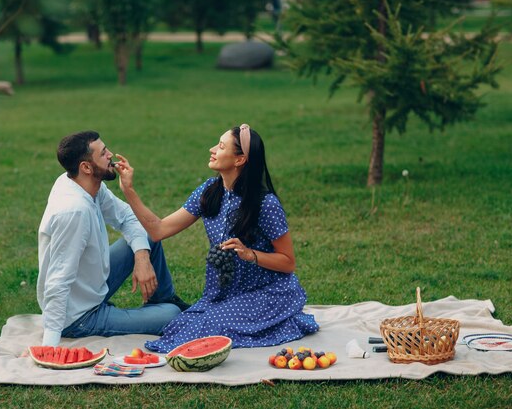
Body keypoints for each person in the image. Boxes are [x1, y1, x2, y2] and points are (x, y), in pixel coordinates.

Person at [115, 124, 319, 352]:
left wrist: (250, 254)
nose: (212, 149)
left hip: (267, 293)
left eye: (221, 146)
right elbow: (159, 230)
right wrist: (129, 190)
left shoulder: (265, 204)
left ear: (240, 160)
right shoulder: (209, 191)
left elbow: (288, 262)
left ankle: (284, 318)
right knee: (179, 326)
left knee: (206, 328)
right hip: (221, 294)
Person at [36, 131, 188, 347]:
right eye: (103, 153)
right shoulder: (74, 212)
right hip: (80, 317)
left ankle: (163, 301)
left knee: (147, 236)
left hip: (94, 286)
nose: (110, 156)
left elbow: (128, 217)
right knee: (172, 315)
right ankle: (161, 311)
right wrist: (49, 345)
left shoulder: (87, 185)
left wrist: (142, 258)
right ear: (86, 168)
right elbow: (58, 280)